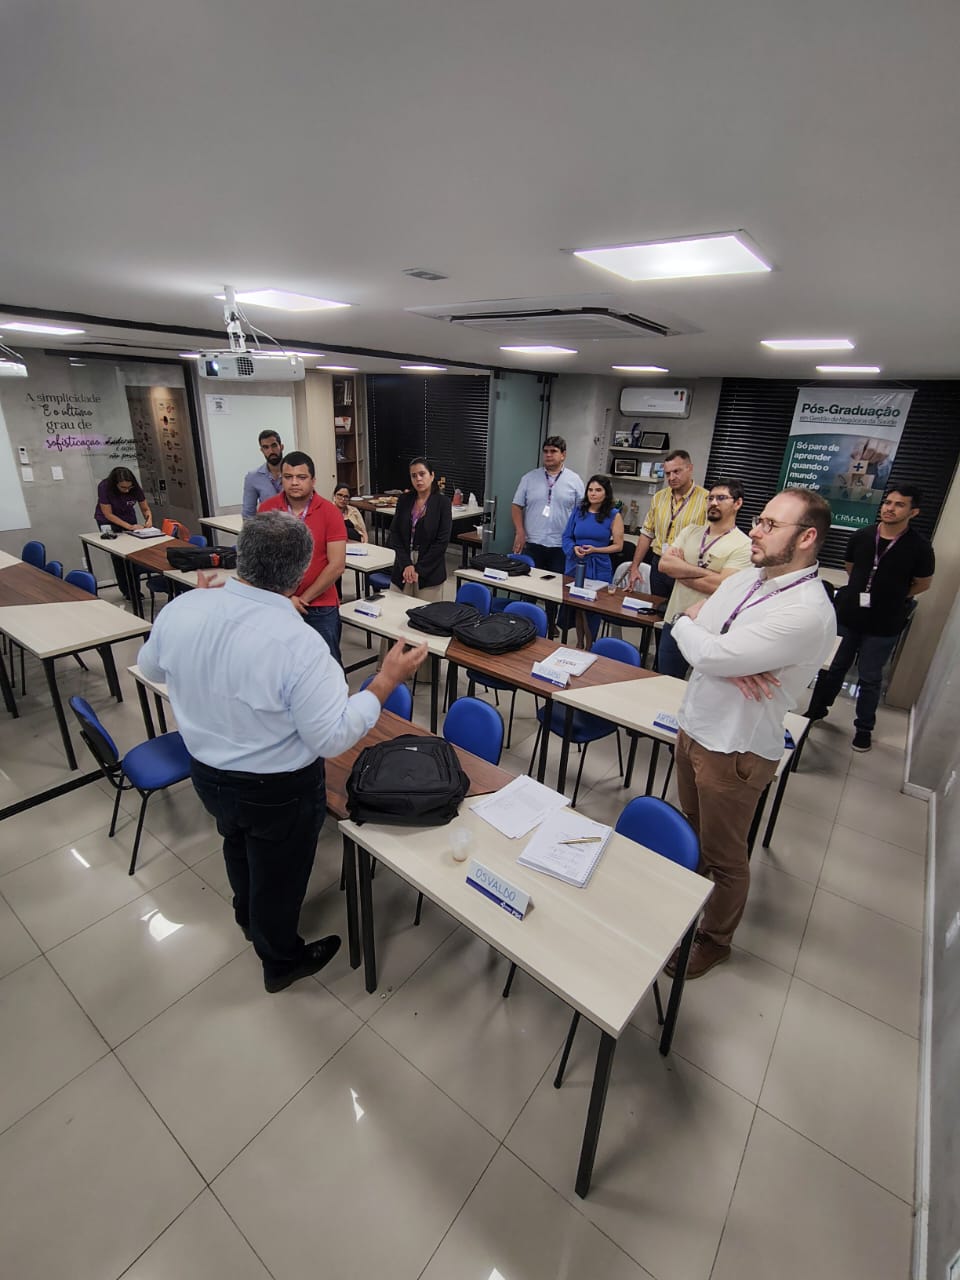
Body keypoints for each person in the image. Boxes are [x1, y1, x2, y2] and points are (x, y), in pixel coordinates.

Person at [137, 511, 427, 993]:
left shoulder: (183, 608)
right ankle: (280, 960)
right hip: (277, 790)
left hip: (207, 772)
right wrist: (385, 680)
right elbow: (331, 738)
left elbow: (152, 669)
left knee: (235, 842)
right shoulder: (302, 646)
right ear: (300, 574)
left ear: (241, 557)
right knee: (280, 875)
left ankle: (247, 916)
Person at [666, 488, 837, 979]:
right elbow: (699, 629)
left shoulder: (807, 610)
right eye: (758, 521)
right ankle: (686, 903)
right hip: (694, 725)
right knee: (693, 828)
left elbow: (709, 652)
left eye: (770, 525)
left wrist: (713, 647)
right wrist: (701, 633)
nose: (756, 531)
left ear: (806, 537)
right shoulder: (746, 578)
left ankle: (715, 940)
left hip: (735, 748)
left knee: (725, 856)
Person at [805, 485, 935, 752]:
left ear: (914, 512)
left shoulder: (919, 547)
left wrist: (892, 596)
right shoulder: (862, 536)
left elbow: (923, 583)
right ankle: (816, 710)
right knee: (832, 668)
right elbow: (851, 567)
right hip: (849, 616)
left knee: (870, 677)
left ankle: (863, 728)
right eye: (888, 502)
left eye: (899, 504)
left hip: (884, 623)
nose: (890, 508)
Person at [656, 478, 753, 679]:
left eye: (721, 498)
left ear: (737, 503)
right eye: (710, 498)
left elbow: (723, 586)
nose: (713, 503)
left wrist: (681, 571)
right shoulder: (690, 531)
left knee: (702, 687)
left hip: (710, 630)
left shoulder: (744, 545)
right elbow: (664, 565)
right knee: (665, 680)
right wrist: (710, 574)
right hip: (675, 620)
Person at [259, 452, 347, 665]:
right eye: (288, 477)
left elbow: (337, 565)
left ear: (313, 480)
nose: (294, 482)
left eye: (301, 477)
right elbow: (261, 560)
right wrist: (285, 599)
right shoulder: (267, 510)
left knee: (327, 666)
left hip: (319, 605)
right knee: (280, 665)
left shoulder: (330, 512)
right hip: (276, 602)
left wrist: (302, 599)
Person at [511, 436, 584, 634]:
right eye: (546, 451)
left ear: (563, 455)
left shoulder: (574, 481)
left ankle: (550, 627)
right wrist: (520, 531)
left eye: (553, 451)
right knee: (529, 588)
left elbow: (582, 512)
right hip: (533, 542)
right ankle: (523, 626)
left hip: (560, 545)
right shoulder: (529, 478)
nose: (549, 455)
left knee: (554, 591)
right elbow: (516, 505)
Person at [628, 450, 709, 599]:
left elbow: (710, 540)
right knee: (657, 606)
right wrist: (635, 566)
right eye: (667, 473)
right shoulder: (659, 497)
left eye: (676, 471)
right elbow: (647, 534)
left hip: (686, 566)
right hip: (659, 563)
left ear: (690, 468)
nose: (671, 478)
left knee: (679, 609)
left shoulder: (706, 499)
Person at [561, 474, 624, 647]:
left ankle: (590, 645)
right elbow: (566, 537)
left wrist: (596, 549)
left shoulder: (613, 515)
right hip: (577, 564)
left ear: (606, 493)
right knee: (578, 607)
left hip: (598, 566)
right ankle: (579, 643)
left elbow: (618, 546)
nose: (593, 493)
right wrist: (573, 548)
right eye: (590, 490)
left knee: (592, 608)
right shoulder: (578, 511)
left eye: (598, 490)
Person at [387, 457, 453, 602]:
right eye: (414, 475)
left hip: (430, 567)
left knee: (425, 612)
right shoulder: (404, 500)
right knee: (395, 608)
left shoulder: (442, 503)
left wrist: (419, 569)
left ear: (432, 475)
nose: (418, 479)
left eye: (422, 474)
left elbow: (441, 542)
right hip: (403, 564)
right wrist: (407, 564)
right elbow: (395, 534)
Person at [94, 466, 152, 532]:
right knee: (114, 538)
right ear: (115, 484)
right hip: (108, 520)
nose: (127, 490)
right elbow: (108, 514)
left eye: (129, 487)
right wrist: (129, 527)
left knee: (133, 536)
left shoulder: (135, 487)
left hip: (128, 516)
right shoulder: (104, 487)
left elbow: (145, 509)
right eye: (123, 487)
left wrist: (149, 520)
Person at [241, 430, 284, 517]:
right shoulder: (253, 477)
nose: (271, 451)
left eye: (274, 445)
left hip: (294, 524)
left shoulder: (294, 473)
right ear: (262, 450)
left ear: (281, 447)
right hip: (267, 524)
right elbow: (248, 514)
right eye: (266, 447)